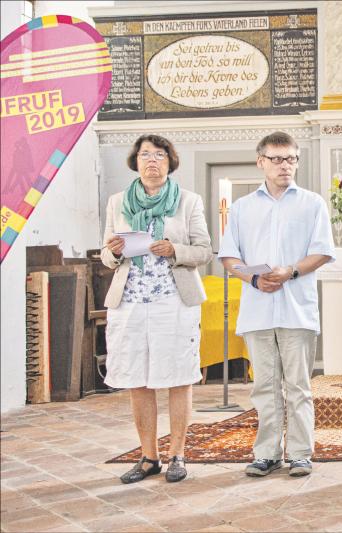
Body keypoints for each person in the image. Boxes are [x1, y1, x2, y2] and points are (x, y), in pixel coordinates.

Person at [219, 132, 336, 478]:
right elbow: (229, 256)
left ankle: (300, 453)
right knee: (265, 385)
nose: (285, 165)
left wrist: (291, 271)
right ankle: (266, 453)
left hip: (296, 306)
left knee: (298, 385)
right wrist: (253, 279)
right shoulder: (242, 207)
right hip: (257, 307)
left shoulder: (312, 203)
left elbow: (323, 251)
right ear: (261, 162)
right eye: (277, 159)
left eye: (291, 159)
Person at [101, 134, 213, 484]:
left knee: (178, 378)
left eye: (160, 155)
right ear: (135, 162)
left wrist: (175, 250)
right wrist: (116, 251)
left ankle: (177, 454)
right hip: (130, 301)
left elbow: (205, 251)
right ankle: (148, 456)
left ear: (170, 162)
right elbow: (106, 255)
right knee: (138, 379)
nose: (152, 160)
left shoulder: (188, 201)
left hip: (172, 300)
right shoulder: (118, 202)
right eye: (145, 155)